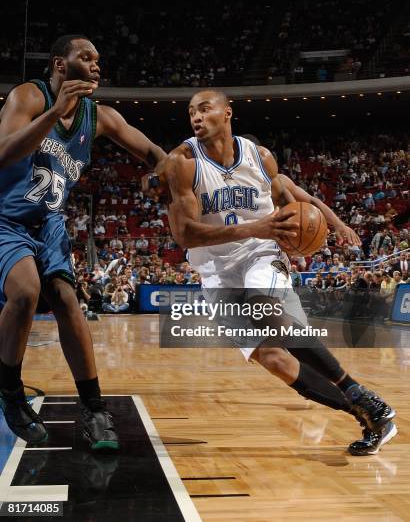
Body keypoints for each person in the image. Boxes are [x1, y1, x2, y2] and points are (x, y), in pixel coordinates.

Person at [164, 89, 396, 456]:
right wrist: (254, 227)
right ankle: (369, 413)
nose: (196, 116)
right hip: (215, 272)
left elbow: (302, 201)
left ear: (227, 113)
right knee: (274, 359)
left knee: (267, 311)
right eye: (191, 111)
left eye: (205, 109)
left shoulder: (262, 158)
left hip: (261, 253)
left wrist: (327, 225)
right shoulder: (182, 162)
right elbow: (185, 235)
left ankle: (358, 391)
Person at [0, 35, 166, 448]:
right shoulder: (29, 96)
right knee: (25, 292)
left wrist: (160, 174)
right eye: (86, 58)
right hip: (6, 217)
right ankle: (10, 391)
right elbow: (2, 153)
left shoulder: (101, 117)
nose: (96, 65)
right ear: (59, 64)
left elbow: (153, 152)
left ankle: (94, 409)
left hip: (49, 221)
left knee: (67, 300)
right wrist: (54, 112)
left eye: (98, 59)